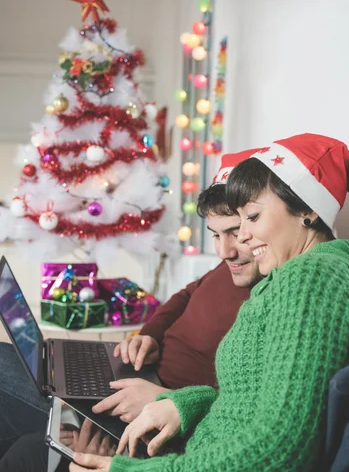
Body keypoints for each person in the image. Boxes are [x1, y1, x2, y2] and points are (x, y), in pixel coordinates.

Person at [0, 133, 349, 472]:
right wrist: (182, 405)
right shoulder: (296, 277)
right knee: (29, 456)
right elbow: (256, 404)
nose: (242, 236)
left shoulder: (313, 283)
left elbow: (280, 448)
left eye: (252, 217)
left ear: (308, 209)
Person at [0, 182, 260, 457]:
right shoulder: (235, 264)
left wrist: (163, 398)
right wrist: (149, 334)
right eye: (217, 235)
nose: (224, 251)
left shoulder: (269, 295)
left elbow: (243, 405)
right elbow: (188, 294)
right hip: (138, 373)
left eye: (234, 233)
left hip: (156, 410)